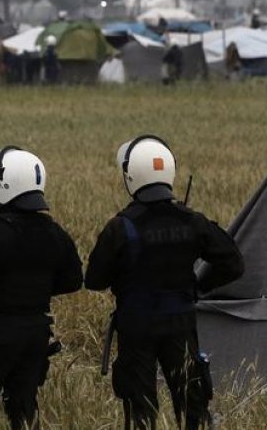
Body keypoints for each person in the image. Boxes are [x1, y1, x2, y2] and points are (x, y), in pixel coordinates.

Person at [85, 136, 244, 430]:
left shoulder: (121, 226)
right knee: (192, 407)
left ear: (131, 176)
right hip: (180, 323)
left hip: (136, 326)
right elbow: (234, 263)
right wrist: (198, 287)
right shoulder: (192, 221)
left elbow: (93, 280)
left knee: (141, 411)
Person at [0, 147, 83, 430]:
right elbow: (73, 280)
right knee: (23, 407)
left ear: (3, 185)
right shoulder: (54, 233)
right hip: (35, 332)